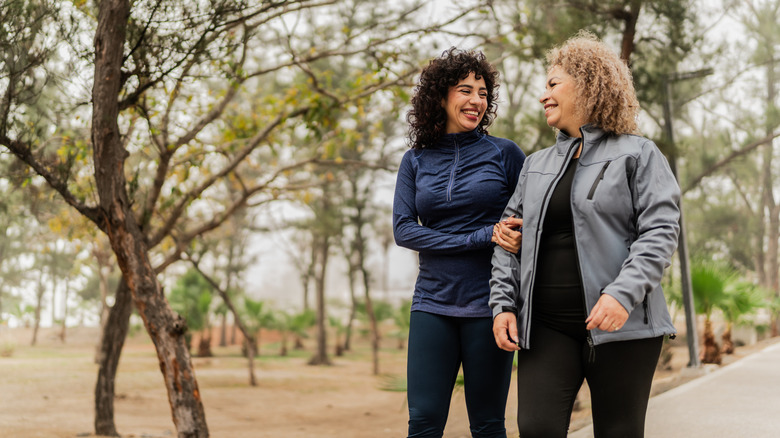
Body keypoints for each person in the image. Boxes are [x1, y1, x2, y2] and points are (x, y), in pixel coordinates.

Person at [490, 32, 680, 438]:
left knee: (619, 432)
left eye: (553, 84)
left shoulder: (638, 154)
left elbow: (660, 232)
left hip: (621, 326)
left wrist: (620, 295)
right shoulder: (535, 165)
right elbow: (507, 238)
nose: (544, 95)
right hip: (546, 327)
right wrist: (503, 303)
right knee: (537, 428)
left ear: (588, 85)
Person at [393, 47, 526, 438]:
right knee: (423, 422)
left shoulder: (504, 154)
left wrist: (506, 241)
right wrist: (481, 235)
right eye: (465, 90)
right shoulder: (415, 160)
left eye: (483, 93)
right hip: (431, 302)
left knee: (487, 425)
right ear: (440, 96)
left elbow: (524, 223)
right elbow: (404, 230)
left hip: (489, 304)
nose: (476, 101)